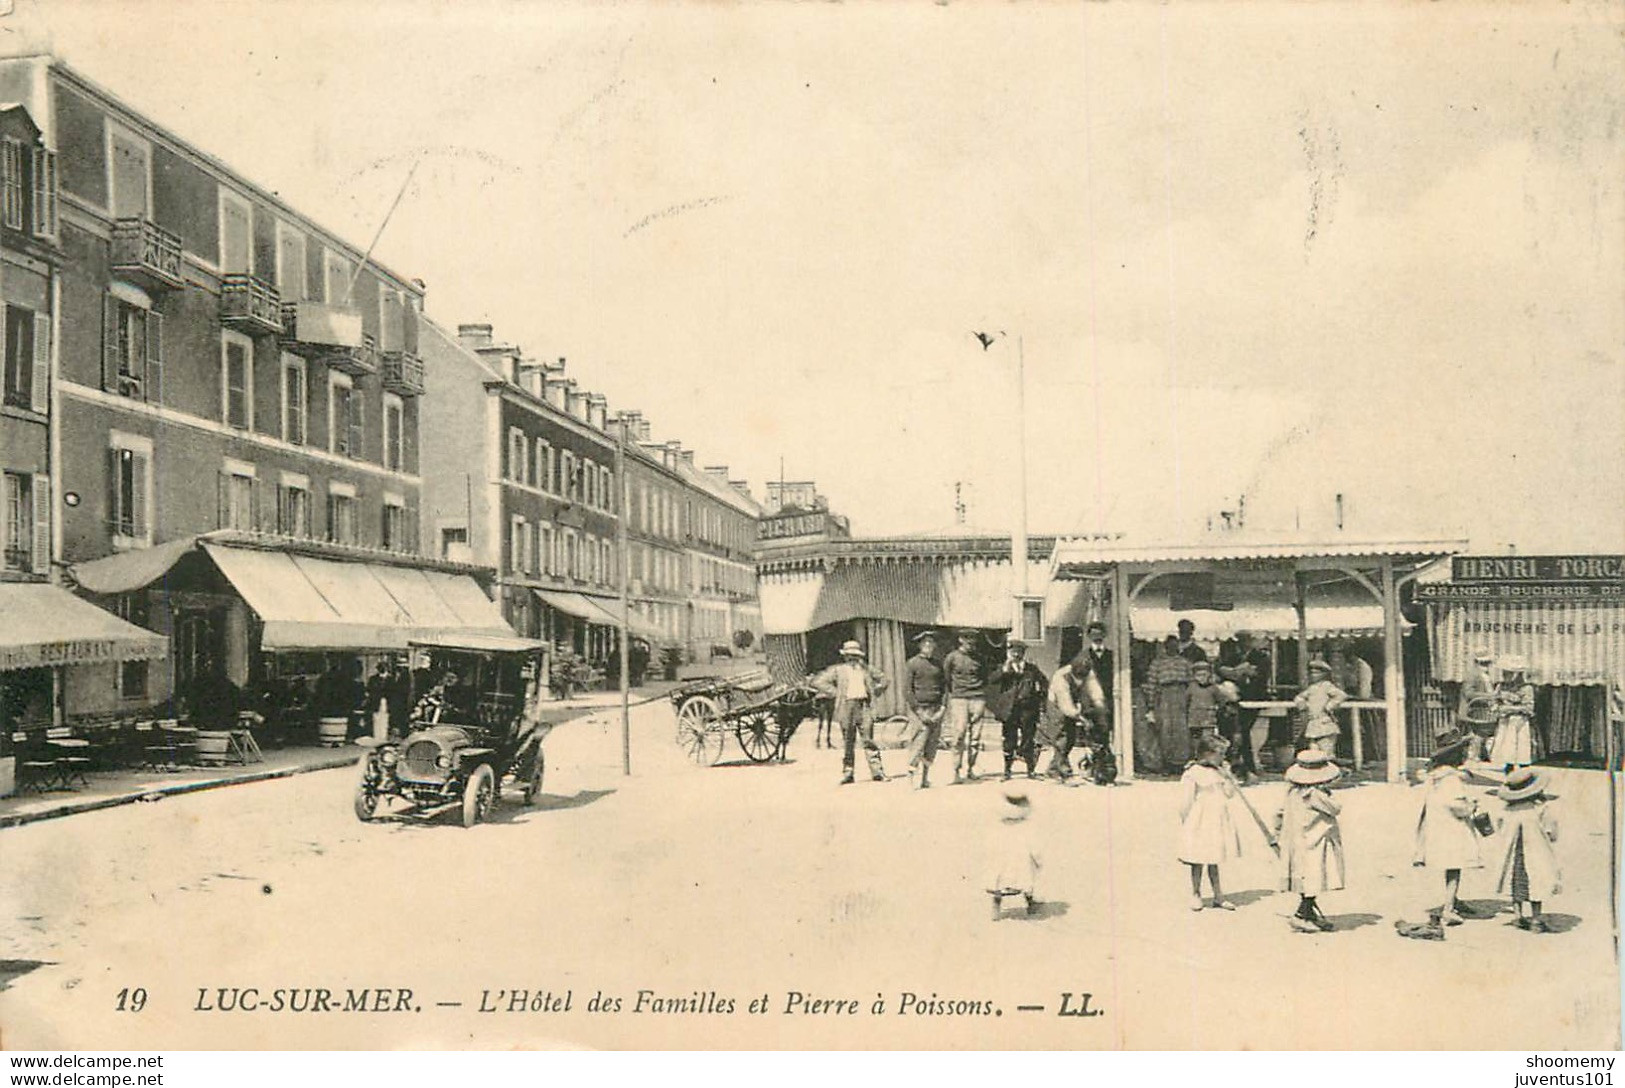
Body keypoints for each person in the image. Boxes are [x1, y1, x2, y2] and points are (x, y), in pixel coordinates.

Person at [1411, 729, 1485, 927]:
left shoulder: (1435, 776)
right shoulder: (1452, 779)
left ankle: (1453, 900)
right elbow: (1456, 805)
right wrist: (1471, 806)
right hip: (1451, 828)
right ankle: (1449, 909)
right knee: (1454, 867)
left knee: (1451, 865)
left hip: (1437, 826)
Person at [1275, 749, 1346, 933]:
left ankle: (1309, 913)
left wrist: (1277, 833)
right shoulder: (1315, 794)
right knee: (1314, 877)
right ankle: (1302, 914)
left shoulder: (1292, 791)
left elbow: (1279, 814)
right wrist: (1328, 793)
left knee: (1305, 877)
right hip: (1315, 841)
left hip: (1298, 841)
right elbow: (1335, 808)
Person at [810, 640, 889, 785]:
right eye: (849, 656)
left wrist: (873, 691)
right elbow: (818, 682)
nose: (852, 659)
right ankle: (848, 773)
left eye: (855, 656)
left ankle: (878, 773)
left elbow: (884, 679)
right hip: (846, 706)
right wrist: (836, 693)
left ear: (859, 656)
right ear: (845, 657)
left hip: (864, 705)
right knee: (848, 741)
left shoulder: (866, 669)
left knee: (868, 740)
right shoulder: (838, 670)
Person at [1180, 733, 1243, 911]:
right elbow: (1185, 802)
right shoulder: (1193, 773)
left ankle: (1218, 895)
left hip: (1218, 819)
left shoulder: (1220, 772)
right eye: (1220, 754)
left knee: (1214, 857)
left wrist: (1229, 775)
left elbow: (1230, 794)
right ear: (1207, 754)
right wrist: (1187, 823)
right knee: (1198, 858)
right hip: (1200, 819)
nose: (1223, 758)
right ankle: (1196, 893)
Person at [1494, 767, 1561, 933]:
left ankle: (1518, 916)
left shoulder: (1508, 809)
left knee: (1516, 880)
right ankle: (1536, 920)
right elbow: (1551, 831)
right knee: (1536, 880)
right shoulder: (1540, 808)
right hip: (1535, 850)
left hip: (1513, 851)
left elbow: (1500, 826)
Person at [990, 638, 1047, 781]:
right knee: (1009, 739)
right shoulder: (1003, 668)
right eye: (1013, 651)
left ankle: (1030, 771)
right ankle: (1007, 771)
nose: (1015, 655)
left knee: (1028, 739)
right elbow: (992, 680)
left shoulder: (1031, 669)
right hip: (1010, 710)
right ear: (1009, 652)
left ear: (1023, 653)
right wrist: (1004, 669)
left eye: (1018, 652)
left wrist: (1040, 699)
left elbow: (1044, 683)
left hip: (1028, 709)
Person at [1043, 650, 1104, 782]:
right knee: (1061, 738)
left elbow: (1095, 693)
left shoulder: (1088, 672)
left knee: (1070, 738)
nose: (1082, 679)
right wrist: (1082, 719)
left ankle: (1053, 769)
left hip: (1073, 703)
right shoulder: (1061, 677)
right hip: (1057, 705)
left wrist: (1099, 710)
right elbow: (1066, 706)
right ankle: (1065, 772)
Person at [1218, 631, 1270, 779]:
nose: (1244, 643)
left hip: (1253, 697)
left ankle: (1248, 766)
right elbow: (1222, 671)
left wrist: (1240, 674)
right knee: (1231, 730)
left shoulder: (1261, 657)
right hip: (1234, 699)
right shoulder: (1233, 657)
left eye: (1246, 640)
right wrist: (1239, 672)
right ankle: (1235, 765)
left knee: (1244, 731)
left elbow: (1260, 677)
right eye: (1241, 640)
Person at [986, 787, 1041, 921]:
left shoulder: (998, 825)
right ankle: (1030, 903)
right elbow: (1034, 845)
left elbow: (990, 843)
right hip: (1020, 860)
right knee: (1026, 879)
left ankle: (996, 906)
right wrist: (1038, 860)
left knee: (998, 882)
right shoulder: (1027, 826)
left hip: (1001, 858)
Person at [942, 629, 988, 783]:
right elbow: (947, 679)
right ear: (960, 639)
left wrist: (979, 693)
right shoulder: (952, 657)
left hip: (977, 699)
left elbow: (985, 677)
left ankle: (971, 768)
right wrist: (955, 694)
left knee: (975, 737)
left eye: (973, 639)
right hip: (959, 699)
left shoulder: (980, 658)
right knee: (958, 735)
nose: (970, 642)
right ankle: (956, 770)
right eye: (966, 638)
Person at [903, 630, 946, 790]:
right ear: (920, 645)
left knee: (932, 743)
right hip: (919, 710)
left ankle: (925, 779)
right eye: (925, 643)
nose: (928, 646)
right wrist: (918, 711)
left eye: (931, 643)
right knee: (918, 742)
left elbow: (945, 688)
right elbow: (907, 690)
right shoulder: (912, 663)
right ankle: (910, 778)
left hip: (936, 708)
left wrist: (942, 709)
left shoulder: (938, 665)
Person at [1145, 635, 1194, 773]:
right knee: (1166, 729)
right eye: (1170, 645)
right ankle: (1167, 764)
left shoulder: (1185, 662)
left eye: (1175, 645)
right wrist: (1151, 703)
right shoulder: (1157, 663)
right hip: (1164, 696)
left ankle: (1181, 763)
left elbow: (1191, 682)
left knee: (1182, 730)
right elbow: (1151, 683)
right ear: (1165, 647)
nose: (1173, 648)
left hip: (1181, 695)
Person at [1293, 658, 1348, 758]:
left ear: (1324, 674)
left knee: (1326, 751)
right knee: (1313, 752)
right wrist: (1303, 705)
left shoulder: (1327, 686)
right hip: (1313, 723)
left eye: (1317, 673)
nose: (1313, 675)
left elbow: (1341, 695)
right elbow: (1299, 697)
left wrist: (1330, 706)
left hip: (1325, 721)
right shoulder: (1311, 688)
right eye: (1312, 673)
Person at [1490, 655, 1535, 772]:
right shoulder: (1501, 686)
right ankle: (1508, 772)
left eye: (1509, 673)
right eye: (1504, 673)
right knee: (1506, 749)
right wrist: (1496, 707)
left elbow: (1529, 708)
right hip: (1505, 721)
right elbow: (1494, 701)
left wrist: (1510, 708)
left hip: (1519, 722)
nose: (1505, 675)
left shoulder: (1526, 688)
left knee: (1521, 748)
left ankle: (1523, 773)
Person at [1457, 647, 1499, 761]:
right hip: (1474, 709)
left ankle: (1480, 754)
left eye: (1487, 663)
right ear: (1476, 662)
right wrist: (1489, 696)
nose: (1486, 665)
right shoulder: (1472, 675)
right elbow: (1468, 693)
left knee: (1484, 733)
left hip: (1483, 708)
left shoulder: (1486, 676)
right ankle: (1473, 755)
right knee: (1480, 733)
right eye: (1483, 663)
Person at [1186, 660, 1236, 751]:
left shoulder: (1213, 688)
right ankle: (1196, 756)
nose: (1201, 678)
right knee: (1195, 741)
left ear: (1209, 675)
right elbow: (1186, 701)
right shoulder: (1191, 688)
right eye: (1198, 675)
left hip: (1208, 719)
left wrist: (1221, 708)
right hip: (1194, 719)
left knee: (1207, 740)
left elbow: (1221, 701)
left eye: (1204, 675)